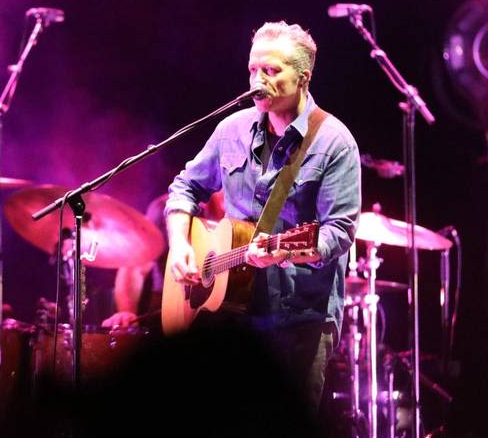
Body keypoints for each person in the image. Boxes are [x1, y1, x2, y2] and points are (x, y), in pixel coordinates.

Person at [165, 21, 360, 406]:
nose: (258, 80)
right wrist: (179, 244)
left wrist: (285, 251)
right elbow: (184, 189)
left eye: (271, 71)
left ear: (303, 78)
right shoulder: (230, 130)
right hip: (229, 319)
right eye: (254, 69)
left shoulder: (335, 142)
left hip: (299, 321)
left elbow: (339, 231)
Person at [101, 191, 224, 331]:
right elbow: (135, 268)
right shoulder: (169, 208)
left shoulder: (250, 210)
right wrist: (127, 311)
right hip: (168, 317)